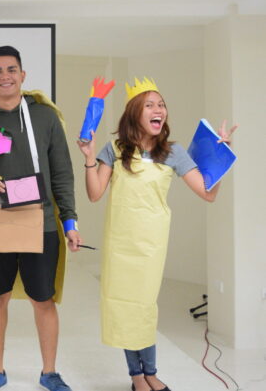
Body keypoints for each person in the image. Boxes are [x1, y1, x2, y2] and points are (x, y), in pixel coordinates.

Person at [76, 77, 237, 391]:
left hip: (150, 245)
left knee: (144, 308)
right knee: (124, 306)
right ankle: (137, 377)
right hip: (120, 244)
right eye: (149, 105)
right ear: (134, 113)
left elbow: (208, 193)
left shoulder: (173, 152)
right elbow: (95, 194)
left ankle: (150, 372)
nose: (158, 110)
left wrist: (222, 156)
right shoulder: (115, 150)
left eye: (161, 105)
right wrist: (89, 158)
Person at [0, 45, 82, 391]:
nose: (5, 76)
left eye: (11, 69)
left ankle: (49, 373)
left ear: (23, 75)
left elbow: (62, 173)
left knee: (43, 300)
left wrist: (70, 222)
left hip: (41, 224)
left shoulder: (45, 118)